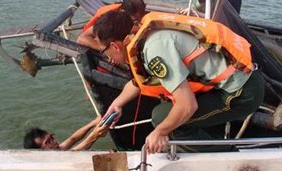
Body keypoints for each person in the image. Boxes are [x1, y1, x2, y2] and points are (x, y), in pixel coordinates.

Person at [94, 10, 265, 153]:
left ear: (115, 46)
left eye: (104, 51)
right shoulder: (147, 34)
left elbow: (187, 106)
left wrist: (160, 132)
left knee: (162, 118)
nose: (108, 58)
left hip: (241, 93)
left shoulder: (154, 49)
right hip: (239, 81)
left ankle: (227, 159)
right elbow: (137, 83)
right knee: (165, 115)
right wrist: (117, 104)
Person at [77, 0, 146, 64]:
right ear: (122, 12)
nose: (136, 23)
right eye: (134, 20)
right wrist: (106, 49)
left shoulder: (124, 16)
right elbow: (82, 38)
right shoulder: (108, 20)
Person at [23, 115, 109, 151]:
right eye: (48, 142)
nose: (54, 141)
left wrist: (93, 123)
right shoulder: (56, 159)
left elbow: (73, 138)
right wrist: (95, 134)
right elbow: (79, 148)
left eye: (52, 137)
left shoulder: (56, 149)